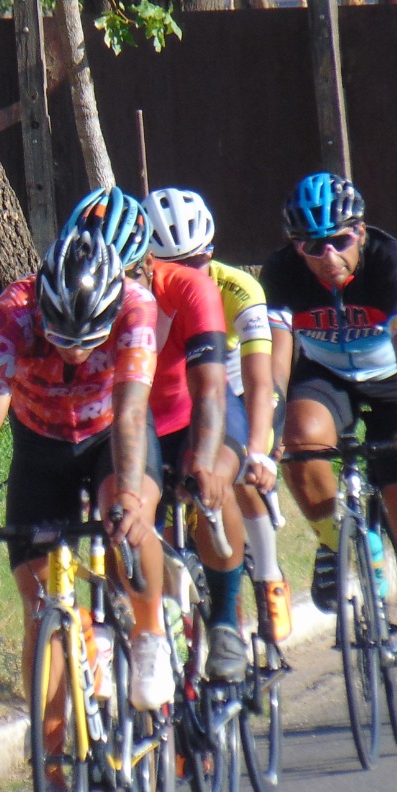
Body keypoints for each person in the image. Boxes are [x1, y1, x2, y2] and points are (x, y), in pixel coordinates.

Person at [0, 227, 172, 792]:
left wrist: (127, 495)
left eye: (87, 340)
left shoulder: (136, 306)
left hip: (108, 435)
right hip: (42, 445)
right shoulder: (13, 314)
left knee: (126, 509)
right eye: (62, 338)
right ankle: (52, 776)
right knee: (39, 605)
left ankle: (149, 631)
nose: (73, 353)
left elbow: (129, 412)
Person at [261, 174, 397, 722]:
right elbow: (277, 356)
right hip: (325, 378)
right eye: (311, 246)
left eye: (338, 241)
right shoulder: (280, 272)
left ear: (360, 233)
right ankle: (335, 540)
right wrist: (266, 427)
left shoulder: (390, 261)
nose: (326, 256)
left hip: (394, 382)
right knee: (300, 442)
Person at [89, 187, 243, 682]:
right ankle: (143, 623)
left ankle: (224, 622)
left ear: (147, 261)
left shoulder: (190, 288)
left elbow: (212, 392)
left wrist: (202, 457)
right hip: (134, 421)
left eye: (131, 270)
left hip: (192, 408)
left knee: (214, 477)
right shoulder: (92, 289)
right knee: (130, 510)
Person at [141, 187, 293, 648]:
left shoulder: (238, 289)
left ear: (212, 251)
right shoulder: (142, 293)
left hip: (232, 377)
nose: (190, 276)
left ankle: (267, 574)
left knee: (240, 472)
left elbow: (261, 381)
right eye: (173, 266)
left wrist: (261, 451)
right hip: (170, 396)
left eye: (197, 262)